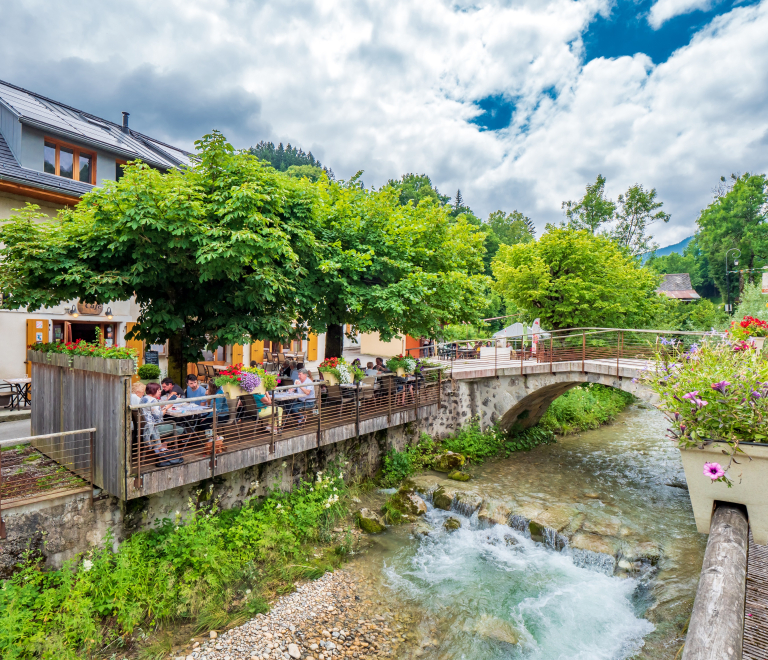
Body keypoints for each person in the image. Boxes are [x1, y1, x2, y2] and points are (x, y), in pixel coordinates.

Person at [139, 383, 183, 466]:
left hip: (146, 427)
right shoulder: (153, 401)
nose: (160, 391)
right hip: (154, 427)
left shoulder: (144, 398)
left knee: (172, 424)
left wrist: (166, 403)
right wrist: (167, 407)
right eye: (158, 390)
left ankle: (162, 447)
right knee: (180, 429)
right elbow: (158, 415)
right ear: (153, 391)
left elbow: (156, 407)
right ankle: (163, 445)